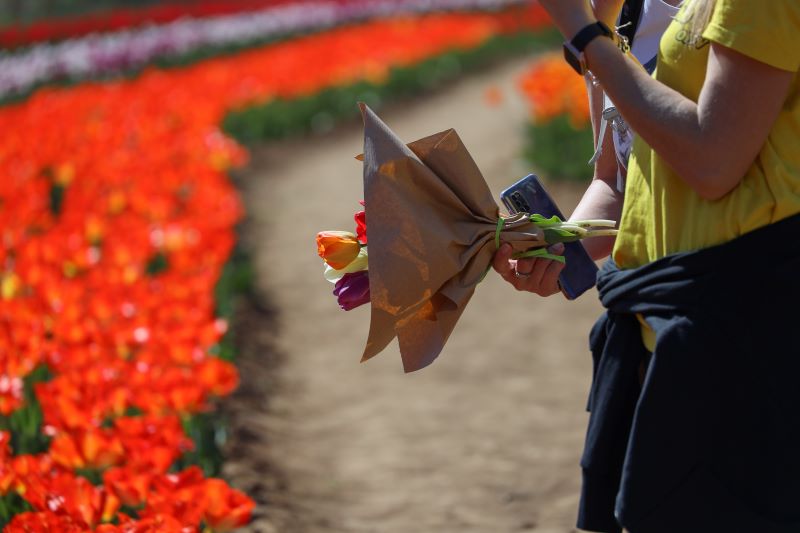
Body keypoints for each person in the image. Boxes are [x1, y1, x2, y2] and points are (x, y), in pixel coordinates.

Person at [495, 0, 800, 531]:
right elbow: (616, 180)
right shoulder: (619, 9)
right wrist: (554, 246)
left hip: (753, 331)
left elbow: (713, 159)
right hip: (660, 335)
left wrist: (586, 36)